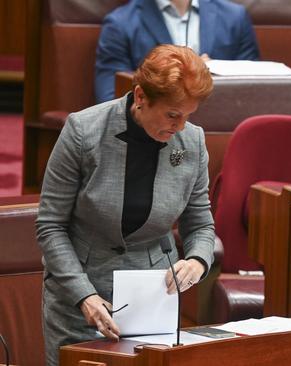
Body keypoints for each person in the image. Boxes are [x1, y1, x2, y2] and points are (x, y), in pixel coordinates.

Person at [37, 44, 219, 366]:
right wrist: (85, 296)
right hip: (81, 294)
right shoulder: (84, 131)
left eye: (188, 115)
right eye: (172, 115)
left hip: (152, 299)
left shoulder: (192, 141)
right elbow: (51, 226)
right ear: (140, 97)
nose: (180, 127)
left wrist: (197, 261)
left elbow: (201, 223)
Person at [95, 0, 260, 103]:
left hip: (221, 128)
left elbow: (255, 90)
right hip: (154, 134)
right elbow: (111, 100)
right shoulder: (120, 24)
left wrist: (211, 71)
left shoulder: (235, 17)